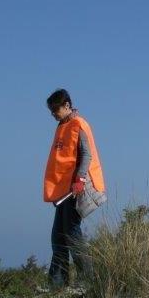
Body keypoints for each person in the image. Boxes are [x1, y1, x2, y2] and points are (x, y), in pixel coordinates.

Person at [43, 89, 104, 287]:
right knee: (59, 236)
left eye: (56, 109)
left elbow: (87, 155)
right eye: (51, 110)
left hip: (75, 188)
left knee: (71, 233)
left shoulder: (78, 124)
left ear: (67, 105)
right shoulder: (62, 126)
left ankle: (89, 279)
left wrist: (80, 179)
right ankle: (58, 284)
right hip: (63, 190)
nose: (53, 114)